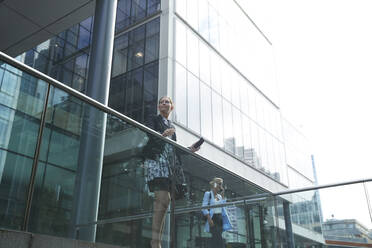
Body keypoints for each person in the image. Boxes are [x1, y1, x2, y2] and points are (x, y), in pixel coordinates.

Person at [144, 96, 199, 248]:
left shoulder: (172, 127)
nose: (163, 104)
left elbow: (174, 150)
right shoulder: (153, 120)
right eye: (161, 102)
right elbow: (149, 135)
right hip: (155, 162)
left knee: (165, 201)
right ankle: (155, 242)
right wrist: (163, 135)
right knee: (162, 199)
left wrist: (190, 149)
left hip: (167, 166)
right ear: (158, 107)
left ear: (171, 107)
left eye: (167, 102)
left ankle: (156, 241)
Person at [202, 177, 232, 248]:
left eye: (221, 184)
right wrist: (209, 219)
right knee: (216, 236)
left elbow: (223, 206)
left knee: (218, 236)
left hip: (220, 218)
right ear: (215, 184)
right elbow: (204, 207)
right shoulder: (208, 194)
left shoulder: (219, 196)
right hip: (213, 218)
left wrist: (223, 194)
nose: (220, 186)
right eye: (219, 184)